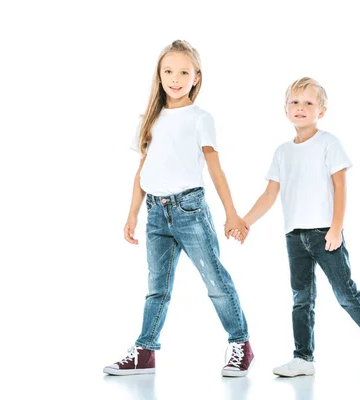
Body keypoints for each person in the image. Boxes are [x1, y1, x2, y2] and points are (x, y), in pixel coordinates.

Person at [230, 77, 360, 380]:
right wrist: (245, 221)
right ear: (285, 108)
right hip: (294, 235)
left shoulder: (328, 143)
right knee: (301, 298)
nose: (301, 108)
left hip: (324, 233)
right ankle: (303, 357)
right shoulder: (282, 151)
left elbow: (340, 188)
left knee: (346, 293)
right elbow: (270, 194)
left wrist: (336, 228)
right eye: (295, 102)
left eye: (309, 103)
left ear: (321, 110)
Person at [103, 40, 253, 377]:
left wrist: (232, 213)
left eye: (184, 71)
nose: (175, 78)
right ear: (158, 75)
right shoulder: (149, 119)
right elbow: (143, 171)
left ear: (197, 77)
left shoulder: (201, 118)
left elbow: (215, 168)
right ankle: (145, 351)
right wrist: (132, 213)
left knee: (214, 280)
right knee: (158, 287)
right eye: (168, 71)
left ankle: (241, 343)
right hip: (156, 213)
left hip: (190, 210)